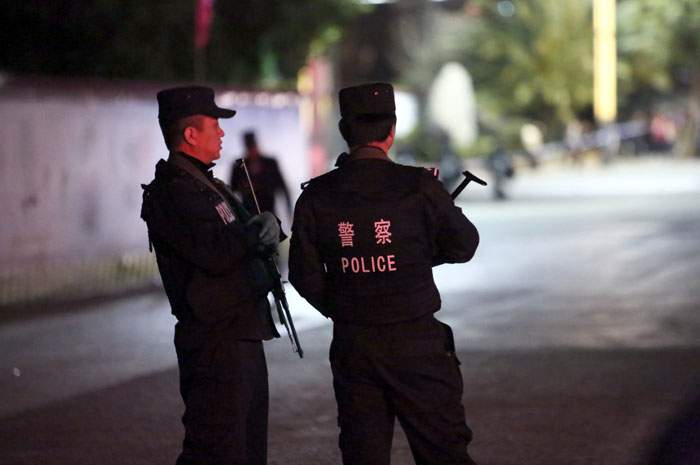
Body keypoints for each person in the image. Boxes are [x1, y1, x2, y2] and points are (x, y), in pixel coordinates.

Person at [288, 82, 480, 465]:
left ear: (345, 133)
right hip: (417, 344)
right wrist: (420, 256)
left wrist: (344, 306)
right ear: (391, 131)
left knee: (363, 454)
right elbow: (465, 244)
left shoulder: (317, 196)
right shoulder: (419, 187)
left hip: (354, 344)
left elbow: (302, 274)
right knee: (443, 451)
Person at [140, 86, 283, 465]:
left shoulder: (209, 184)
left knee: (248, 449)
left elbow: (238, 235)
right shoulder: (173, 192)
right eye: (214, 126)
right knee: (217, 449)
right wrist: (255, 232)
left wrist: (267, 226)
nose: (222, 134)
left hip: (240, 333)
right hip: (214, 341)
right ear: (190, 134)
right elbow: (215, 252)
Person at [230, 130, 292, 218]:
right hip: (249, 216)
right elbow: (232, 190)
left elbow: (283, 187)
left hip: (270, 213)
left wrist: (289, 211)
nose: (252, 151)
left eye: (253, 147)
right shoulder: (238, 167)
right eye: (250, 148)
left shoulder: (270, 163)